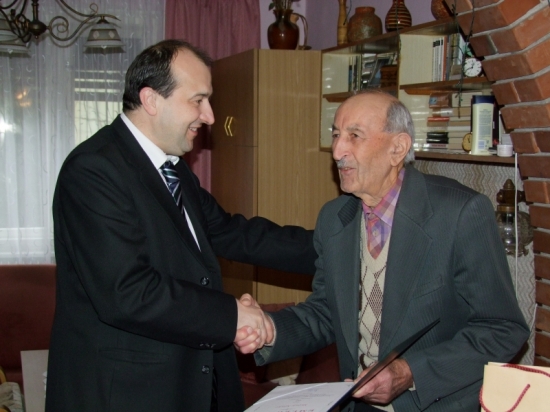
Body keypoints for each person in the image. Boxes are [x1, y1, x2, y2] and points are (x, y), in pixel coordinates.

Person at [45, 39, 317, 412]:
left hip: (187, 383)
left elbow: (234, 233)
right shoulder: (94, 170)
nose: (210, 116)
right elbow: (128, 293)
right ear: (151, 100)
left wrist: (342, 247)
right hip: (126, 394)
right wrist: (233, 315)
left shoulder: (171, 170)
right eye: (198, 100)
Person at [238, 90, 530, 411]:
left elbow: (503, 329)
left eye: (354, 136)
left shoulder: (459, 214)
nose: (337, 151)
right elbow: (326, 312)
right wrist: (268, 329)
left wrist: (409, 372)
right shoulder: (335, 219)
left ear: (397, 148)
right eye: (336, 135)